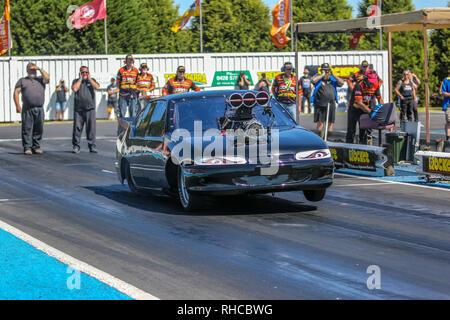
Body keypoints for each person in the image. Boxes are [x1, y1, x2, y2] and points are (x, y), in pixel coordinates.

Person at [13, 63, 50, 155]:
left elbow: (48, 77)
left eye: (34, 70)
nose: (32, 71)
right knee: (27, 128)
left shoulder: (41, 79)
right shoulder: (22, 80)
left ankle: (36, 147)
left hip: (39, 108)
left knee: (39, 128)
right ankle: (27, 147)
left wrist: (39, 68)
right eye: (31, 69)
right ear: (27, 70)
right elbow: (16, 92)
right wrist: (18, 106)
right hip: (27, 108)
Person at [346, 74, 384, 144]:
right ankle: (348, 147)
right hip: (355, 108)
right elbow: (359, 102)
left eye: (373, 81)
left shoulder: (376, 85)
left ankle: (363, 146)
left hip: (365, 109)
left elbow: (379, 98)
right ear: (366, 80)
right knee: (351, 130)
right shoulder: (359, 85)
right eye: (370, 81)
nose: (372, 83)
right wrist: (370, 111)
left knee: (364, 130)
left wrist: (382, 109)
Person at [71, 66, 100, 154]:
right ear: (80, 73)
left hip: (90, 109)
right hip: (79, 109)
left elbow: (97, 87)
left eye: (86, 72)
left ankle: (92, 146)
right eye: (83, 72)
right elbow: (75, 89)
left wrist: (90, 79)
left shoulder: (92, 80)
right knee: (77, 128)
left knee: (91, 128)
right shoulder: (76, 81)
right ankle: (76, 146)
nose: (84, 74)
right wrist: (80, 79)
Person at [311, 63, 344, 136]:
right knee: (320, 122)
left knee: (330, 122)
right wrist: (322, 75)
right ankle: (320, 137)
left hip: (331, 103)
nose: (326, 71)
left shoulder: (332, 78)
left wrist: (334, 75)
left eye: (327, 70)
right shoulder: (318, 76)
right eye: (324, 70)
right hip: (320, 103)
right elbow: (313, 80)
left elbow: (342, 82)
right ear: (321, 70)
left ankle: (330, 137)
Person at [440, 70, 450, 141]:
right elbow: (442, 92)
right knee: (449, 121)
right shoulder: (446, 80)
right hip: (448, 104)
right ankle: (448, 138)